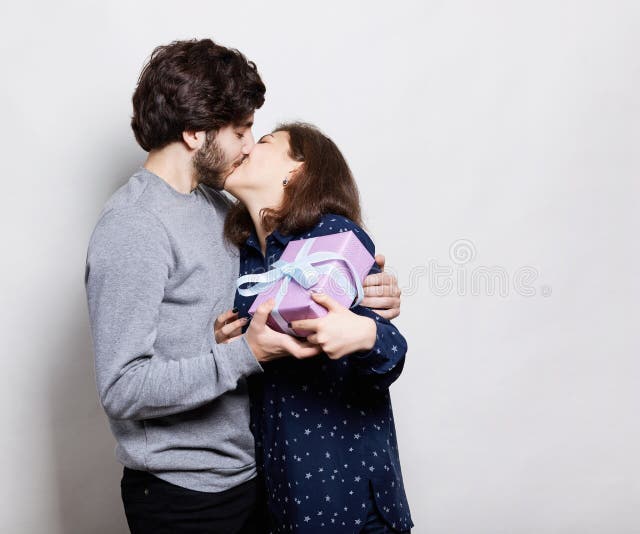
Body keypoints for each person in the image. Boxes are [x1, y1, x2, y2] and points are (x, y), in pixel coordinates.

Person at [84, 39, 402, 533]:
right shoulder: (134, 225)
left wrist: (365, 291)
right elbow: (123, 387)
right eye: (241, 129)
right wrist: (243, 353)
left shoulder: (222, 211)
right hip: (183, 494)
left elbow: (291, 284)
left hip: (258, 478)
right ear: (194, 133)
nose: (250, 143)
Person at [221, 122, 413, 533]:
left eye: (265, 141)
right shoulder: (245, 259)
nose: (248, 146)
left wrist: (363, 334)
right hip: (279, 497)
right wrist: (227, 342)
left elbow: (391, 352)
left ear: (299, 169)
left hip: (349, 497)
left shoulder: (334, 236)